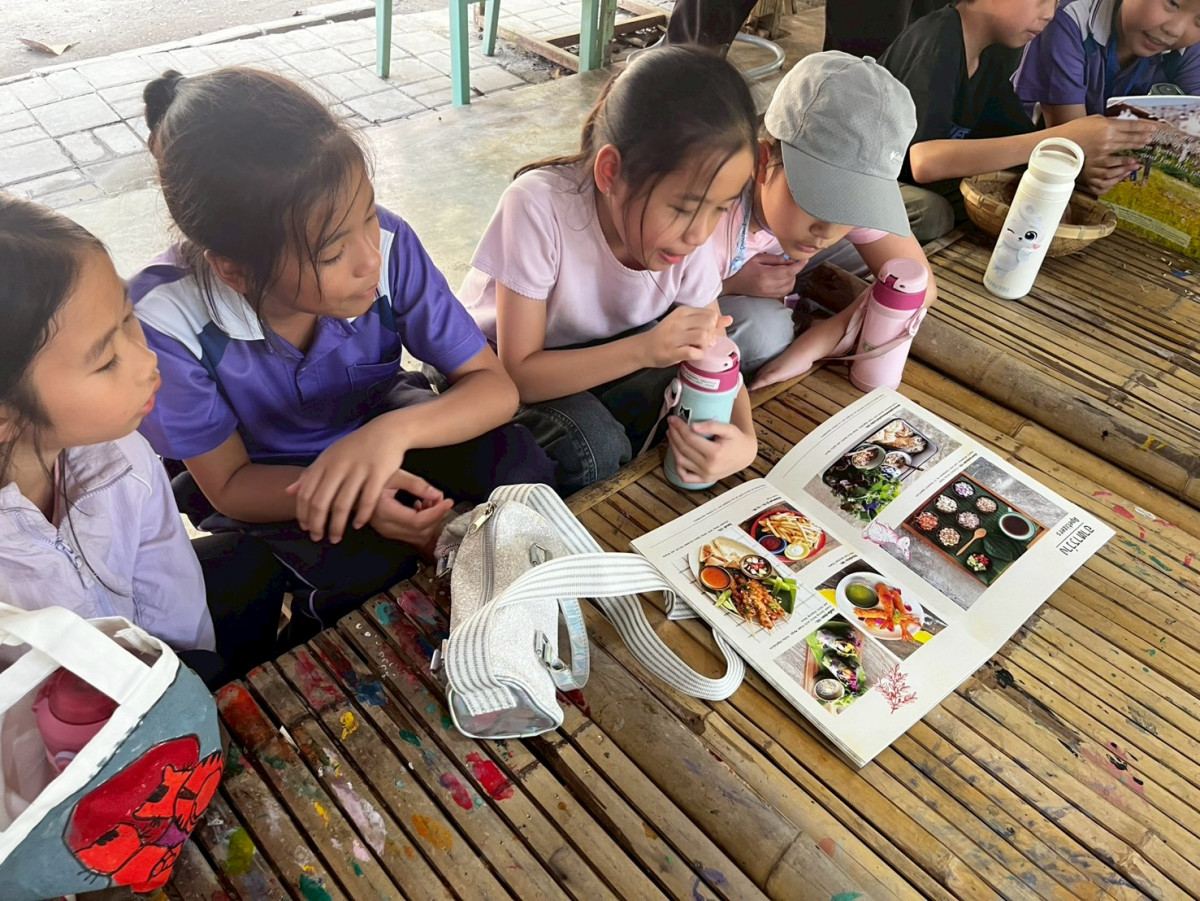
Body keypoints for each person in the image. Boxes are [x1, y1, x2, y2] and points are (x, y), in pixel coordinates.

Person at [132, 68, 556, 641]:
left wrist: (388, 437)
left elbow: (494, 387)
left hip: (386, 427)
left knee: (518, 465)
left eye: (368, 215)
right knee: (360, 574)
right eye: (332, 252)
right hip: (273, 484)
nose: (369, 258)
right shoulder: (167, 320)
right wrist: (358, 495)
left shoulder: (390, 245)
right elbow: (229, 482)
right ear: (234, 269)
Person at [0, 194, 289, 687]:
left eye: (128, 319)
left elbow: (170, 591)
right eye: (105, 361)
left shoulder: (122, 452)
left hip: (148, 653)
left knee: (248, 567)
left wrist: (181, 687)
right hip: (55, 711)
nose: (146, 359)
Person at [460, 47, 760, 495]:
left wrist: (746, 442)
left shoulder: (690, 237)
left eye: (720, 209)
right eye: (682, 209)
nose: (700, 234)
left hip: (603, 351)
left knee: (696, 399)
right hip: (496, 369)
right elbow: (521, 374)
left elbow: (715, 349)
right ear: (611, 172)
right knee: (592, 447)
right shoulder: (538, 207)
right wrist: (645, 350)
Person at [709, 52, 939, 389]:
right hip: (704, 282)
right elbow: (644, 299)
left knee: (898, 273)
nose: (828, 229)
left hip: (779, 254)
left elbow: (920, 285)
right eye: (816, 198)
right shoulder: (712, 204)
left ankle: (801, 312)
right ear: (762, 162)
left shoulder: (826, 223)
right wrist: (728, 284)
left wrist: (816, 343)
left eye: (852, 206)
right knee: (765, 335)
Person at [883, 0, 1161, 212]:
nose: (1049, 14)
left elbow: (1019, 141)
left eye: (1055, 2)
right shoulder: (937, 38)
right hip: (876, 182)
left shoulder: (990, 58)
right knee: (933, 212)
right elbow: (924, 161)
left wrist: (1082, 169)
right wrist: (1065, 137)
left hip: (915, 186)